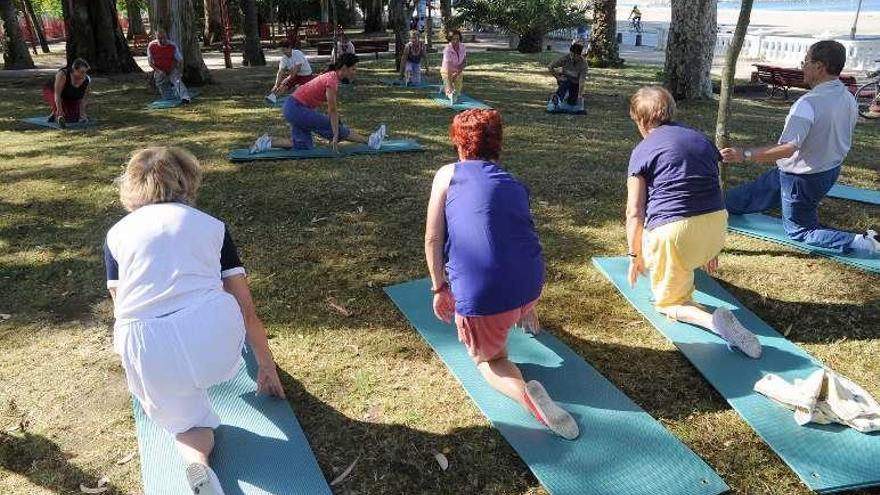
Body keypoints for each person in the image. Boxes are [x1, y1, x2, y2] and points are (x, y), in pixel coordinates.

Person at [104, 147, 286, 495]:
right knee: (212, 286)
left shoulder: (116, 235)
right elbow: (246, 309)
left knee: (189, 427)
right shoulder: (211, 226)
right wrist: (266, 366)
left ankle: (197, 465)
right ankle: (197, 448)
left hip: (147, 348)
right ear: (187, 182)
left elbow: (121, 305)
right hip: (213, 348)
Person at [424, 109, 579, 440]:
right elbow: (519, 236)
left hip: (488, 299)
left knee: (489, 361)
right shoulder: (513, 183)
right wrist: (527, 305)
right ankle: (522, 311)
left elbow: (433, 238)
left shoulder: (446, 175)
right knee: (509, 264)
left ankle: (526, 395)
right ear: (498, 145)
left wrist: (439, 288)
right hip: (531, 285)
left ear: (460, 145)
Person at [626, 86, 761, 359]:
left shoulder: (643, 150)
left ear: (641, 121)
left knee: (669, 303)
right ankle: (692, 261)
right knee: (683, 251)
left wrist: (634, 254)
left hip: (674, 235)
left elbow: (635, 211)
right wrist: (711, 250)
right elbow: (710, 188)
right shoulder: (701, 139)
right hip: (717, 228)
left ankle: (715, 323)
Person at [720, 41, 879, 255]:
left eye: (805, 61)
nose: (802, 66)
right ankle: (718, 204)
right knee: (745, 196)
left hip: (802, 179)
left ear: (819, 67)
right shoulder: (847, 97)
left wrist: (744, 153)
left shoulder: (808, 103)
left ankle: (864, 243)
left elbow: (788, 148)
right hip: (823, 172)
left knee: (800, 231)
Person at [250, 53, 386, 154]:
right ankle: (370, 141)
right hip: (295, 108)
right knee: (332, 126)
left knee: (303, 145)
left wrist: (336, 124)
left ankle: (266, 142)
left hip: (292, 107)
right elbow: (332, 110)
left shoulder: (331, 77)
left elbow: (333, 112)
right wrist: (335, 134)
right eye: (353, 69)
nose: (355, 72)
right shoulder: (332, 80)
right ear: (344, 68)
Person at [42, 58, 90, 127]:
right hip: (52, 91)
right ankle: (56, 115)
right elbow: (57, 94)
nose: (84, 75)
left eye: (86, 72)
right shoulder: (63, 74)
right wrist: (59, 110)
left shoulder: (86, 80)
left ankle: (55, 112)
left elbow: (83, 98)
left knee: (74, 118)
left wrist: (82, 113)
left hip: (68, 94)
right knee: (65, 116)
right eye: (82, 72)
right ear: (74, 70)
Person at [147, 30, 192, 103]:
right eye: (159, 38)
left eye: (163, 38)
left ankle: (185, 98)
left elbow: (180, 60)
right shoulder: (151, 46)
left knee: (177, 81)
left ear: (166, 37)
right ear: (156, 38)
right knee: (167, 96)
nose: (162, 40)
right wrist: (159, 71)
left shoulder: (172, 46)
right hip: (159, 70)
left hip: (172, 68)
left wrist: (179, 71)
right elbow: (150, 62)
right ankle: (170, 93)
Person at [266, 40, 314, 104]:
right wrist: (276, 85)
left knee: (302, 91)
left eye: (284, 49)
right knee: (284, 84)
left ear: (290, 47)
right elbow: (280, 72)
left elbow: (297, 69)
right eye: (282, 50)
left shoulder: (298, 53)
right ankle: (273, 97)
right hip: (295, 75)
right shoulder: (284, 58)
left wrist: (287, 79)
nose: (284, 52)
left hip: (306, 75)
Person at [548, 43, 587, 107]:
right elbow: (550, 66)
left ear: (579, 55)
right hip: (565, 79)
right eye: (571, 55)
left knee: (572, 102)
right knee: (565, 82)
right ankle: (557, 98)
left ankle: (568, 94)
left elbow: (582, 81)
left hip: (575, 83)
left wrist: (580, 95)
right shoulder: (565, 58)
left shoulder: (584, 64)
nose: (572, 57)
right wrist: (558, 77)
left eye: (575, 55)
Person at [441, 30, 467, 104]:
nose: (455, 41)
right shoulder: (447, 50)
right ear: (450, 39)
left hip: (458, 70)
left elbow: (464, 62)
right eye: (453, 39)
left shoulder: (463, 47)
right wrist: (449, 85)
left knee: (457, 93)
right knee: (450, 89)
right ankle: (447, 91)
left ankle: (444, 87)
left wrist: (457, 73)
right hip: (446, 70)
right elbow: (448, 68)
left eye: (457, 39)